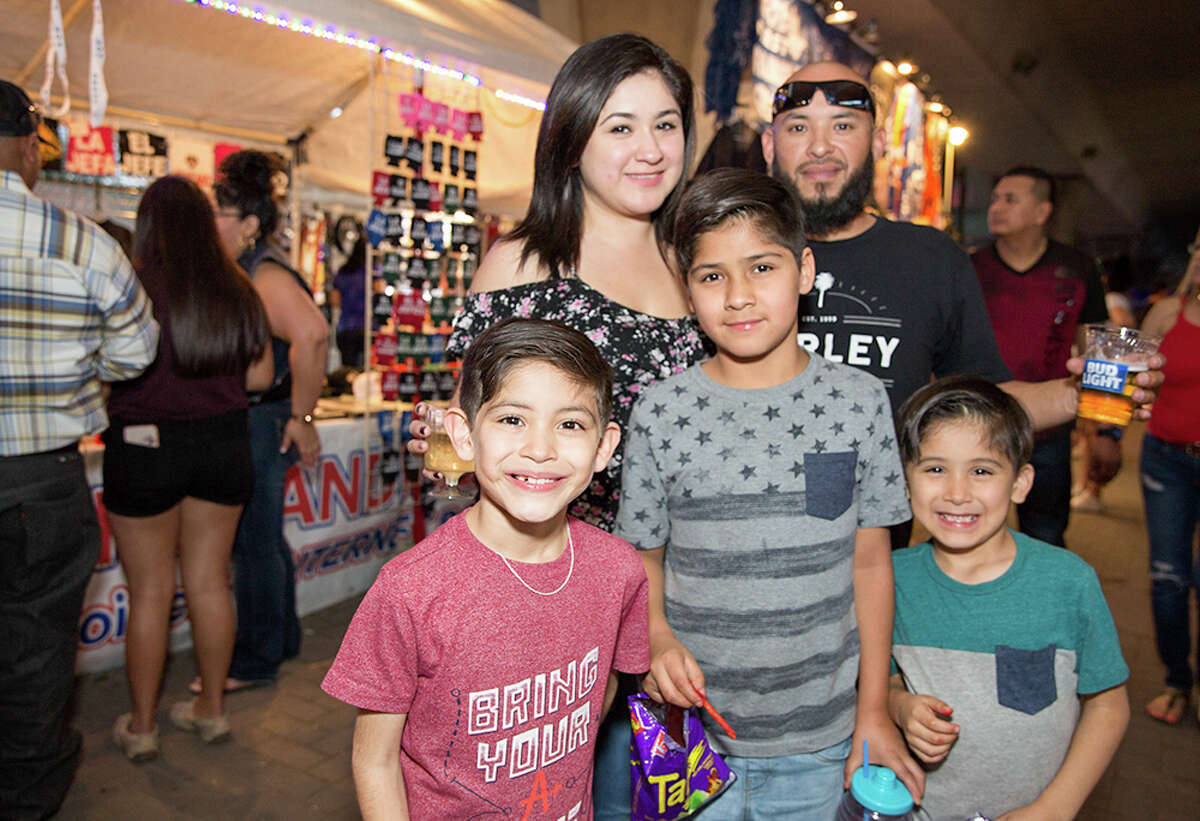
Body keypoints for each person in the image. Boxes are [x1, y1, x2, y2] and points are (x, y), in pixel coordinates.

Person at [408, 34, 708, 817]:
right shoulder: (525, 262)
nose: (650, 149)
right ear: (571, 139)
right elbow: (459, 437)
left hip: (681, 589)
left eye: (667, 124)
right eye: (619, 126)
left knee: (660, 796)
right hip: (546, 595)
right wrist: (447, 454)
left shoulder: (696, 263)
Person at [616, 169, 922, 818]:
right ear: (688, 289)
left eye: (762, 267)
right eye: (711, 276)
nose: (738, 296)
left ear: (805, 270)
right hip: (687, 733)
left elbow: (871, 563)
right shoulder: (659, 411)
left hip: (821, 737)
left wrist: (873, 711)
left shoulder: (860, 403)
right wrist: (657, 636)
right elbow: (641, 557)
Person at [760, 62, 1164, 544]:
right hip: (730, 547)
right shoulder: (729, 250)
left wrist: (1085, 391)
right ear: (769, 146)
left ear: (879, 144)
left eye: (843, 126)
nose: (820, 146)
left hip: (871, 557)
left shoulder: (931, 259)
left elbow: (985, 401)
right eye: (799, 127)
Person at [322, 318, 649, 820]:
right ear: (464, 436)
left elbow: (601, 690)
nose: (540, 450)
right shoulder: (412, 589)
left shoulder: (619, 570)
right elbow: (375, 761)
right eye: (512, 420)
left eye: (570, 424)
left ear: (603, 448)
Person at [0, 80, 158, 818]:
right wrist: (76, 357)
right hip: (43, 480)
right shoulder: (80, 241)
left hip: (42, 482)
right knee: (35, 659)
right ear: (28, 147)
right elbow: (135, 354)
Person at [889, 375, 1129, 820]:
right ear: (905, 482)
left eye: (981, 471)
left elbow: (1108, 705)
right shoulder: (892, 579)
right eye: (935, 469)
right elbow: (879, 682)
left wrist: (1055, 808)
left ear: (1020, 484)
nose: (957, 493)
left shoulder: (1067, 581)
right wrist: (900, 706)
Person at [104, 176, 273, 761]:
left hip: (143, 445)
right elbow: (257, 378)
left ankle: (143, 725)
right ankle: (212, 712)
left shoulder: (131, 285)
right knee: (210, 581)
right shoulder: (237, 285)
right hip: (223, 446)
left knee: (150, 591)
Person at [207, 149, 328, 693]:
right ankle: (278, 641)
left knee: (254, 540)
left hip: (264, 420)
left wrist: (303, 415)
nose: (211, 224)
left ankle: (256, 659)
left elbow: (314, 334)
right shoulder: (251, 268)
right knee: (262, 538)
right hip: (256, 418)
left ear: (250, 224)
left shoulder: (265, 271)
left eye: (220, 213)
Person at [972, 166, 1108, 546]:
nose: (996, 207)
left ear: (1042, 211)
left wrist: (1104, 431)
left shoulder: (1078, 269)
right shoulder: (970, 268)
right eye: (995, 198)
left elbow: (1097, 348)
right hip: (980, 427)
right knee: (970, 537)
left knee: (1045, 538)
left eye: (1010, 199)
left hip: (1049, 435)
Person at [1138, 226, 1200, 726]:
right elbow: (1132, 378)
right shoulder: (1166, 314)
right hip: (1167, 460)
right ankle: (1178, 680)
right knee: (1168, 577)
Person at [1072, 256, 1139, 514]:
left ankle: (1091, 491)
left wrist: (1111, 347)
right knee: (1090, 434)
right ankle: (1086, 486)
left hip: (1104, 379)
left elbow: (1124, 325)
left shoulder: (1111, 301)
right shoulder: (1116, 298)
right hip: (1102, 379)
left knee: (1094, 432)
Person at [331, 234, 368, 368]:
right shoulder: (372, 272)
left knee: (347, 373)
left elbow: (335, 300)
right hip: (367, 329)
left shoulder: (343, 271)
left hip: (345, 328)